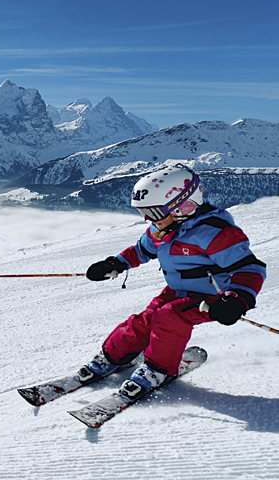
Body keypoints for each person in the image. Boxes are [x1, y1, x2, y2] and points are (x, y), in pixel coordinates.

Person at [79, 166, 266, 399]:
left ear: (184, 206)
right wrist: (115, 264)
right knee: (145, 320)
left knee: (169, 317)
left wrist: (238, 299)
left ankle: (158, 370)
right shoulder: (161, 229)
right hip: (177, 291)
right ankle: (112, 356)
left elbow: (249, 268)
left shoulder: (216, 233)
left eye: (155, 212)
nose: (149, 219)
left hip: (212, 298)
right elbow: (141, 250)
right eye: (144, 212)